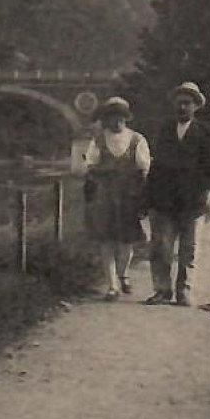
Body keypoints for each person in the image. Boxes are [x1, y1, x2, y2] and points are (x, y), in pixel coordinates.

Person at [144, 82, 210, 307]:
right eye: (179, 103)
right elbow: (156, 165)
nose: (182, 107)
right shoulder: (165, 130)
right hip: (165, 199)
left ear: (196, 106)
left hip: (193, 198)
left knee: (189, 249)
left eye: (187, 103)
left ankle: (184, 292)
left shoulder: (205, 132)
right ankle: (161, 290)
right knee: (161, 247)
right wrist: (150, 195)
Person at [82, 96, 150, 301]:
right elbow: (90, 167)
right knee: (105, 240)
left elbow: (144, 169)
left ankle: (123, 272)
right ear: (106, 119)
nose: (116, 121)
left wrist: (144, 196)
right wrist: (93, 184)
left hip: (129, 197)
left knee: (126, 241)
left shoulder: (137, 140)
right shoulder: (98, 140)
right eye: (112, 117)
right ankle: (112, 286)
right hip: (104, 197)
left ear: (126, 118)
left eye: (120, 117)